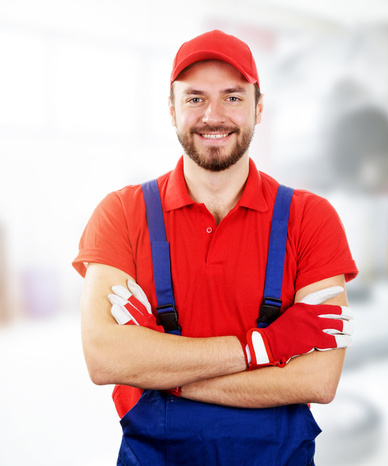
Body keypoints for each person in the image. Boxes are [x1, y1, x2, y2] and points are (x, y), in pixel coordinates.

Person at [73, 30, 358, 465]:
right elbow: (104, 358)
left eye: (232, 97)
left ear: (259, 109)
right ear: (171, 109)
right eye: (194, 98)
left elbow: (319, 380)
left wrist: (160, 371)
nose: (213, 115)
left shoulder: (311, 218)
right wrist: (263, 348)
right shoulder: (122, 213)